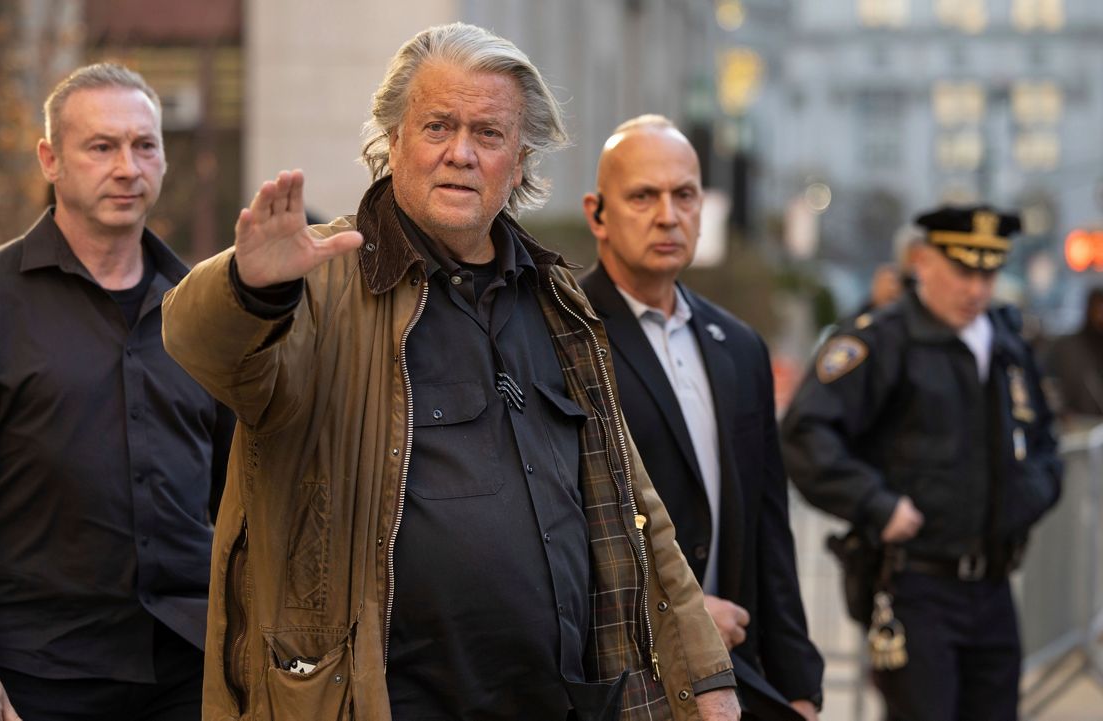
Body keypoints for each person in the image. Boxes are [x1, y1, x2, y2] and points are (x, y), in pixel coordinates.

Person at [162, 23, 738, 721]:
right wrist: (251, 287)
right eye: (437, 125)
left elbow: (631, 502)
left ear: (519, 161)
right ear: (393, 141)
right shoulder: (322, 280)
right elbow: (203, 342)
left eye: (489, 134)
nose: (461, 153)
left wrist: (705, 676)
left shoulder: (557, 302)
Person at [0, 63, 233, 721]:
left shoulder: (202, 308)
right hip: (33, 680)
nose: (128, 166)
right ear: (51, 158)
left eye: (144, 145)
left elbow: (245, 499)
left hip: (189, 674)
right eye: (102, 146)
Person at [579, 115, 823, 721]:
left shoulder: (738, 345)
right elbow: (559, 528)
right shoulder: (564, 337)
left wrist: (800, 684)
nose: (668, 215)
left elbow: (770, 527)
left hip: (732, 670)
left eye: (684, 194)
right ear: (597, 213)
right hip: (618, 676)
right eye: (643, 196)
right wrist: (677, 609)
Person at [781, 205, 1062, 721]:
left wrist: (1028, 497)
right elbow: (805, 432)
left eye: (988, 273)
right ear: (921, 261)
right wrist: (875, 504)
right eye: (962, 271)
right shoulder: (882, 340)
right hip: (916, 586)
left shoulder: (1004, 344)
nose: (976, 289)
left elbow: (1044, 438)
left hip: (994, 585)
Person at [1044, 286, 1103, 419]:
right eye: (1099, 309)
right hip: (1077, 427)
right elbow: (1047, 382)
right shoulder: (1066, 347)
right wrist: (1060, 410)